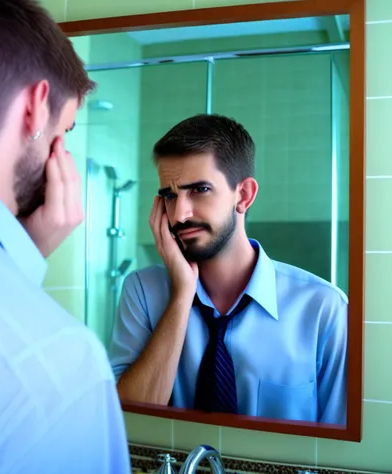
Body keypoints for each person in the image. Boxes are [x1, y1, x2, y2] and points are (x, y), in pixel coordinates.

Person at [0, 1, 131, 473]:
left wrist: (18, 259)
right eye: (66, 128)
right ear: (35, 108)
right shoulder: (62, 365)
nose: (64, 152)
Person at [109, 113, 348, 426]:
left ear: (244, 195)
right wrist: (182, 296)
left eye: (200, 190)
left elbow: (340, 454)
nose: (179, 215)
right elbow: (125, 424)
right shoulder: (142, 292)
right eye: (169, 195)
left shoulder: (323, 310)